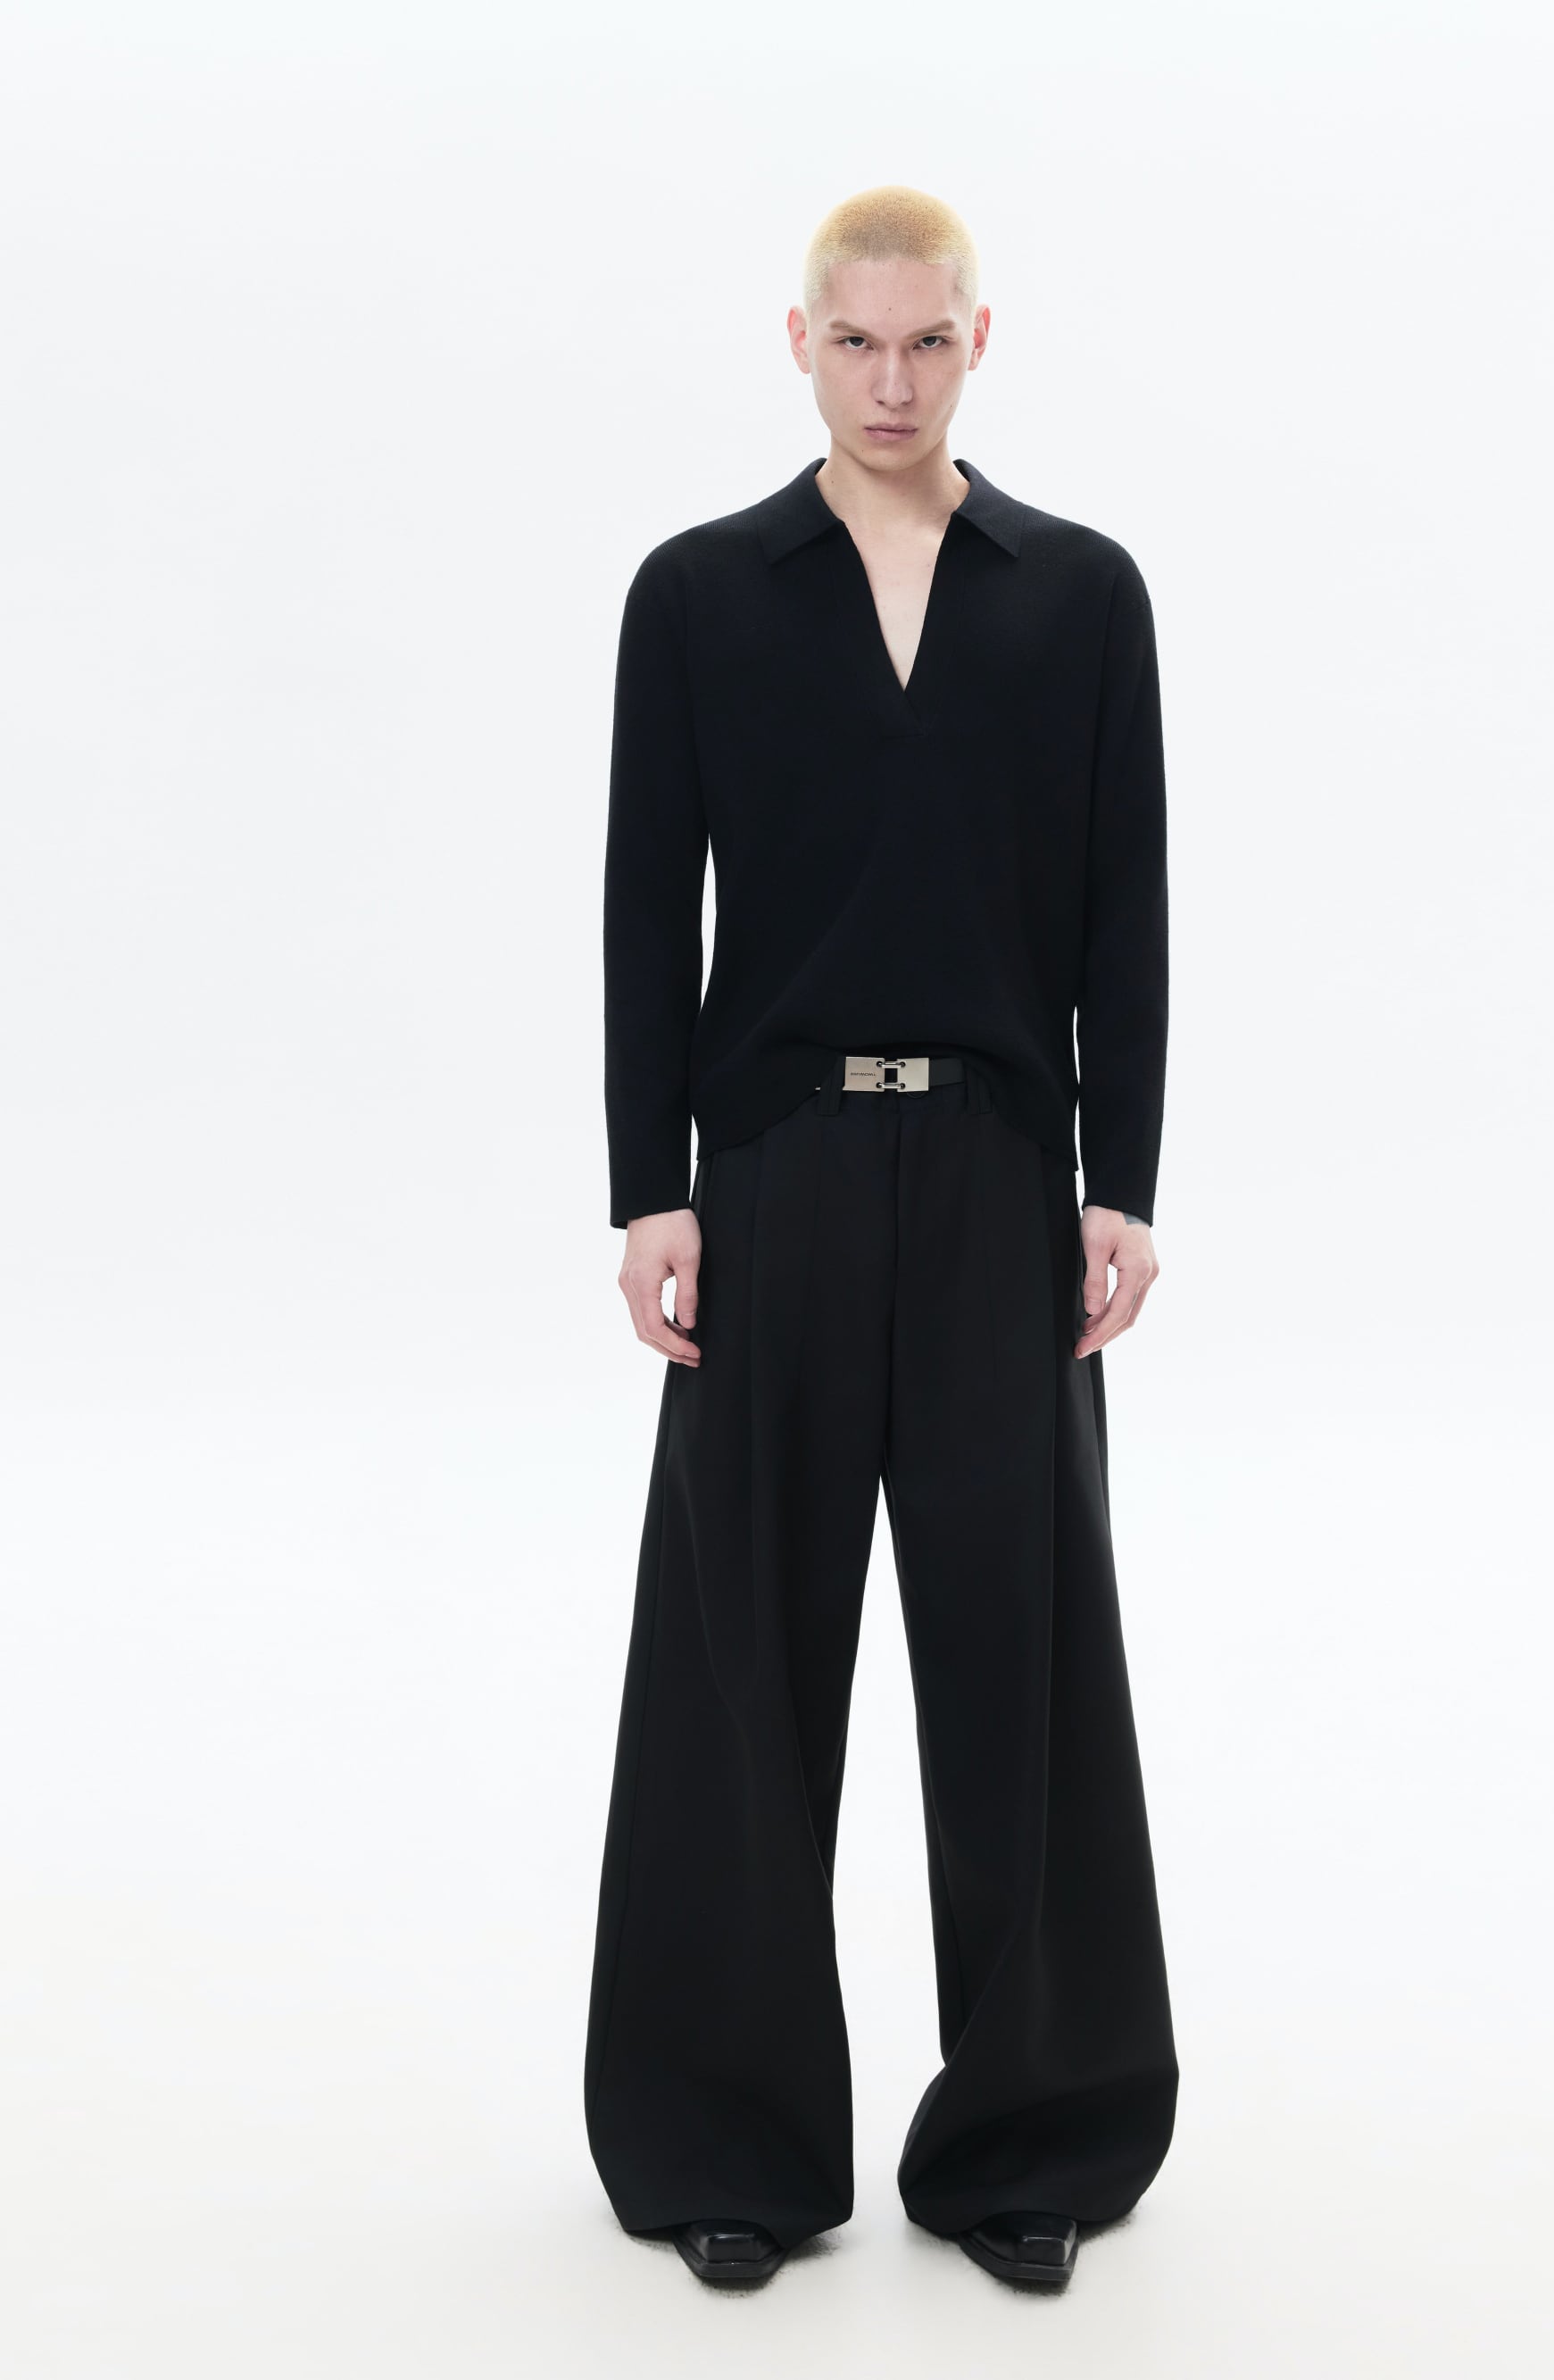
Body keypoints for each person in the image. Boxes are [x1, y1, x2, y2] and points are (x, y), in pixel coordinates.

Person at [582, 183, 1177, 2291]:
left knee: (1021, 1652)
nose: (895, 381)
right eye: (860, 343)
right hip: (775, 1177)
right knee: (741, 1652)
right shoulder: (700, 595)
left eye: (930, 342)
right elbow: (648, 899)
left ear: (978, 341)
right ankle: (723, 2141)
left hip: (1005, 1173)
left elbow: (1125, 899)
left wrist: (1123, 1178)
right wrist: (648, 1181)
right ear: (802, 342)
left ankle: (1032, 2139)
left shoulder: (1078, 596)